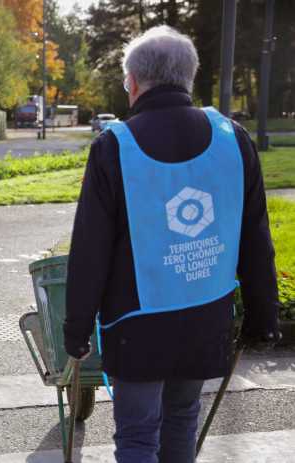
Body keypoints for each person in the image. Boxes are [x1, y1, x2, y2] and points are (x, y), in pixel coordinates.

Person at [63, 26, 281, 463]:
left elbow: (91, 248)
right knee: (182, 419)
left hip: (137, 323)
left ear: (135, 82)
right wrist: (264, 314)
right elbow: (255, 234)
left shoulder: (114, 146)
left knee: (139, 436)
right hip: (205, 316)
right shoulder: (231, 137)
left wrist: (76, 326)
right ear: (189, 77)